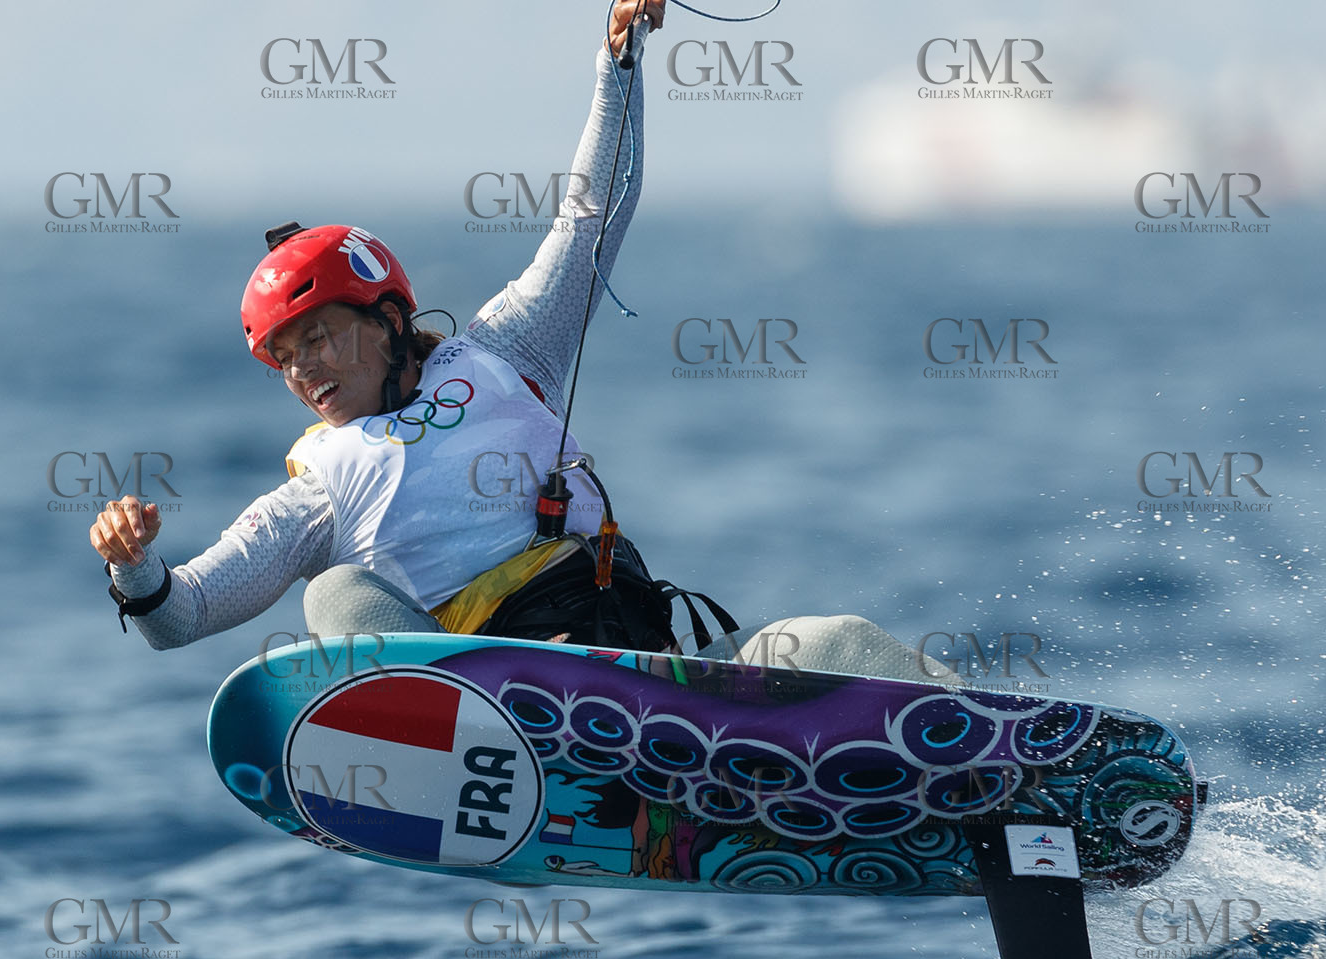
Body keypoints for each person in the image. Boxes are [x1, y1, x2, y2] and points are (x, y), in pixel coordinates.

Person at [90, 0, 950, 687]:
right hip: (501, 701)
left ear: (389, 321)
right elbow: (182, 616)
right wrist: (135, 567)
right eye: (284, 358)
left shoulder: (507, 350)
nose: (304, 368)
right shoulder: (319, 492)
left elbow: (590, 221)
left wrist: (618, 64)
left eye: (317, 338)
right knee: (335, 596)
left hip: (648, 678)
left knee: (838, 639)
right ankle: (486, 738)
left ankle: (1032, 777)